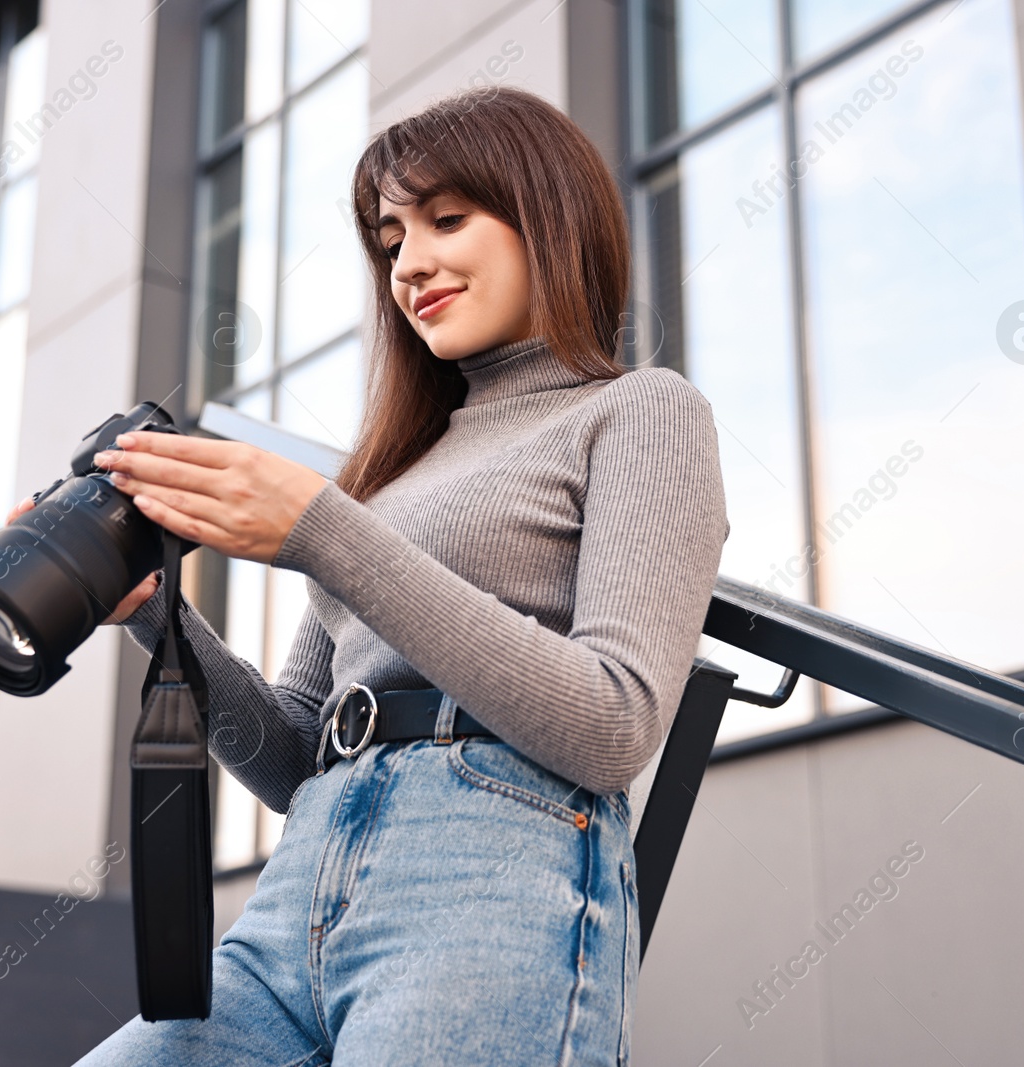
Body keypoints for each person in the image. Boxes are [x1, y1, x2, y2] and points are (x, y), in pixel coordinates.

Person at [62, 85, 729, 1065]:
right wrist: (155, 615)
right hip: (298, 890)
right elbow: (293, 754)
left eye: (447, 219)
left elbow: (613, 721)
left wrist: (321, 526)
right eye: (389, 240)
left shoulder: (637, 411)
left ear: (547, 213)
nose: (410, 264)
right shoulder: (388, 474)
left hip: (492, 879)